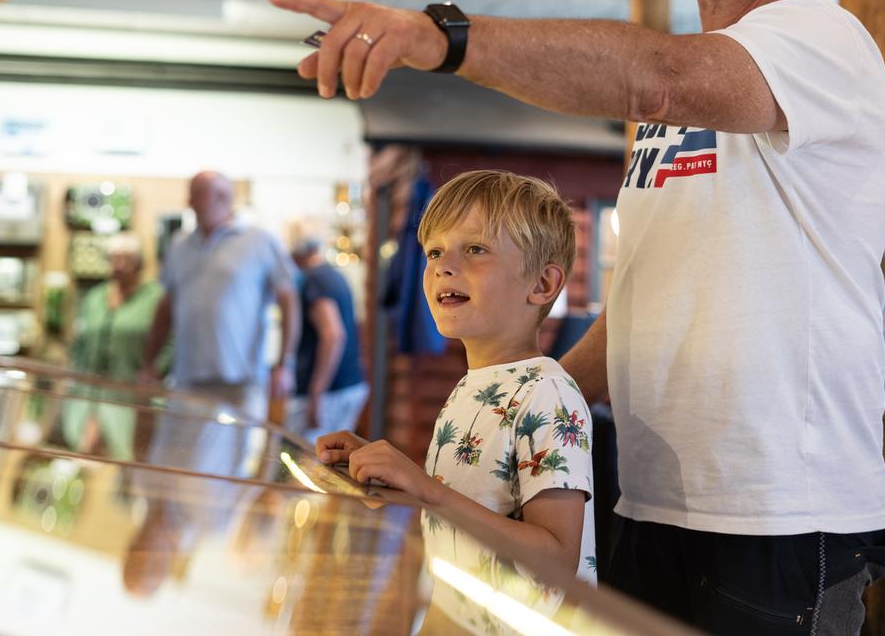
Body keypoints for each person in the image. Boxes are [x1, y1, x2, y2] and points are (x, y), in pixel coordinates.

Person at [271, 0, 885, 632]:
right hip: (655, 501)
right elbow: (641, 309)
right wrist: (511, 413)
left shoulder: (820, 41)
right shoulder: (677, 114)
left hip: (780, 514)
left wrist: (443, 39)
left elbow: (659, 76)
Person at [316, 170, 597, 587]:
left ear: (542, 283)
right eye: (433, 253)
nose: (444, 267)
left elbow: (557, 558)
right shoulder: (470, 387)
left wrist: (425, 489)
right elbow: (468, 505)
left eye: (475, 249)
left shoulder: (548, 394)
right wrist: (395, 474)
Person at [141, 171, 300, 421]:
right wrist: (149, 362)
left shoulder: (259, 241)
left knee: (229, 460)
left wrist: (285, 364)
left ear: (223, 197)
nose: (189, 202)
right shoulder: (179, 244)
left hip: (239, 383)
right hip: (187, 379)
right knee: (176, 457)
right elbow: (167, 307)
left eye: (196, 194)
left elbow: (288, 301)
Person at [63, 232, 167, 459]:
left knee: (124, 459)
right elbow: (79, 344)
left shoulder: (156, 299)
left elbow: (170, 344)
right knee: (82, 456)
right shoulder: (94, 297)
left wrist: (154, 372)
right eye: (113, 258)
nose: (118, 266)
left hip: (129, 399)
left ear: (140, 263)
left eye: (126, 259)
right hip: (86, 396)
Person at [285, 235, 368, 445]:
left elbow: (332, 334)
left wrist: (316, 393)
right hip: (348, 384)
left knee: (300, 460)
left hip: (328, 392)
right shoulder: (334, 275)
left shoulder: (313, 279)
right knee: (331, 461)